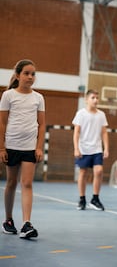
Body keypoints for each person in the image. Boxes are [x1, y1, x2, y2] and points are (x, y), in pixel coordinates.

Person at [0, 59, 45, 239]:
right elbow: (2, 123)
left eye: (33, 74)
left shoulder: (38, 98)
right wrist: (1, 148)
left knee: (27, 183)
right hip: (11, 146)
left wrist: (39, 147)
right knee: (11, 183)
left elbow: (42, 125)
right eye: (26, 73)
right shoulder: (8, 96)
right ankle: (8, 220)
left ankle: (26, 223)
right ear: (18, 75)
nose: (30, 77)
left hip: (29, 148)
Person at [72, 89, 109, 211]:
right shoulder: (81, 114)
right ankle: (82, 199)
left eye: (97, 98)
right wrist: (76, 148)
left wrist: (106, 148)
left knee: (98, 171)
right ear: (86, 100)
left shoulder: (101, 115)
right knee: (83, 173)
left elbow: (104, 133)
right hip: (83, 149)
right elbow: (76, 132)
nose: (96, 100)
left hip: (97, 149)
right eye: (93, 97)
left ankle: (95, 199)